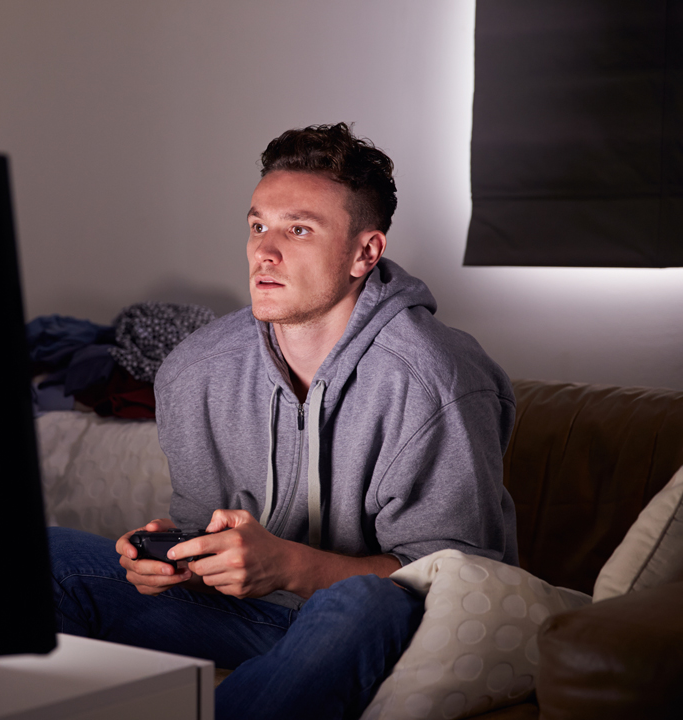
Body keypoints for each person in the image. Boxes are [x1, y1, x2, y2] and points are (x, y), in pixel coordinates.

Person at [48, 123, 518, 720]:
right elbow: (203, 527)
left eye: (298, 230)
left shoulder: (434, 380)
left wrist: (291, 566)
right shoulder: (196, 371)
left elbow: (450, 580)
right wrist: (179, 559)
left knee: (364, 604)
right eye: (257, 226)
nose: (265, 252)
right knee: (46, 555)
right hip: (255, 620)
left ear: (364, 252)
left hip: (385, 627)